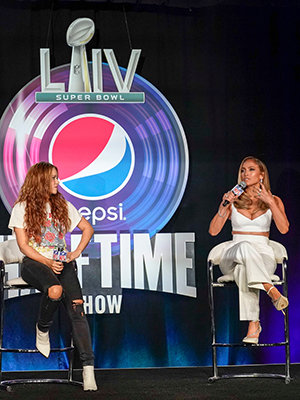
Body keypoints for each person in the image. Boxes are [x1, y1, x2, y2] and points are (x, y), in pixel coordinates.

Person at [8, 162, 97, 391]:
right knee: (54, 291)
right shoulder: (22, 207)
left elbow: (88, 229)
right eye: (54, 178)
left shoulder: (62, 205)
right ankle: (43, 327)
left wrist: (74, 253)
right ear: (40, 180)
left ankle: (88, 369)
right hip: (35, 263)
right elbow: (23, 246)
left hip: (61, 261)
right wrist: (47, 261)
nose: (58, 181)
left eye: (58, 177)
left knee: (77, 306)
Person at [209, 156, 289, 344]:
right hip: (234, 253)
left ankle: (254, 325)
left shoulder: (274, 200)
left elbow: (284, 228)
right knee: (244, 248)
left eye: (251, 169)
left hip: (263, 255)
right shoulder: (234, 199)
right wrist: (225, 203)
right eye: (243, 170)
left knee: (243, 270)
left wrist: (270, 202)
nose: (246, 173)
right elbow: (213, 231)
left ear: (262, 174)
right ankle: (271, 290)